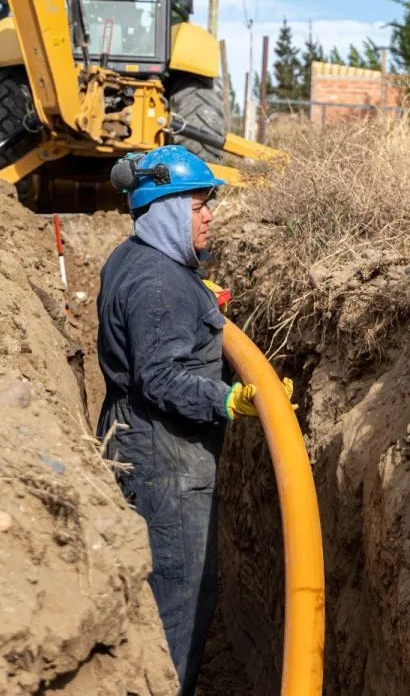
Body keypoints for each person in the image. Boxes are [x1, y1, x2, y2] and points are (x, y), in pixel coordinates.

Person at [95, 145, 293, 695]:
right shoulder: (159, 284)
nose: (209, 215)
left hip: (135, 438)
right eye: (197, 205)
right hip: (167, 463)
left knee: (164, 589)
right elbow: (161, 378)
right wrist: (231, 400)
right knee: (179, 597)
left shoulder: (135, 258)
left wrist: (195, 300)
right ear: (163, 211)